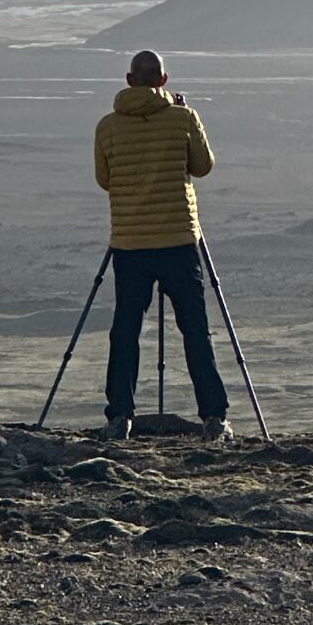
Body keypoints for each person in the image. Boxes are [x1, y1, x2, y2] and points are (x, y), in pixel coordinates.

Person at [93, 50, 231, 444]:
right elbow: (202, 166)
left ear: (129, 80)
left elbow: (104, 179)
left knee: (125, 331)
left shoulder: (107, 127)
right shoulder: (183, 118)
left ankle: (120, 415)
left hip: (130, 243)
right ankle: (214, 416)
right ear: (164, 80)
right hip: (177, 241)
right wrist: (184, 116)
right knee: (195, 331)